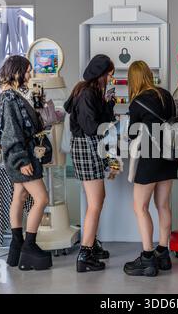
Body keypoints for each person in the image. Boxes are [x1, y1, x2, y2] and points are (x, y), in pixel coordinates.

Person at [124, 60, 178, 277]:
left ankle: (147, 258)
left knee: (140, 207)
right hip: (170, 155)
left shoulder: (137, 102)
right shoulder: (166, 94)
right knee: (163, 205)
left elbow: (131, 133)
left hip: (149, 156)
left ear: (133, 80)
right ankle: (163, 253)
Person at [0, 55, 52, 271]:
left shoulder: (13, 94)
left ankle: (17, 245)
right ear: (17, 71)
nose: (30, 75)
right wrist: (21, 161)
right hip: (22, 156)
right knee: (42, 198)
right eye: (28, 71)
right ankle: (29, 245)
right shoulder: (10, 97)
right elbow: (10, 133)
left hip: (22, 154)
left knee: (19, 196)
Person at [63, 54, 116, 273]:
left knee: (97, 200)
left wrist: (109, 103)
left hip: (88, 148)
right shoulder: (86, 94)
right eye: (110, 74)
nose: (111, 78)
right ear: (101, 74)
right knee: (96, 202)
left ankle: (90, 244)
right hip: (87, 149)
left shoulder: (91, 92)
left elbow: (101, 120)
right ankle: (85, 254)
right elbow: (91, 127)